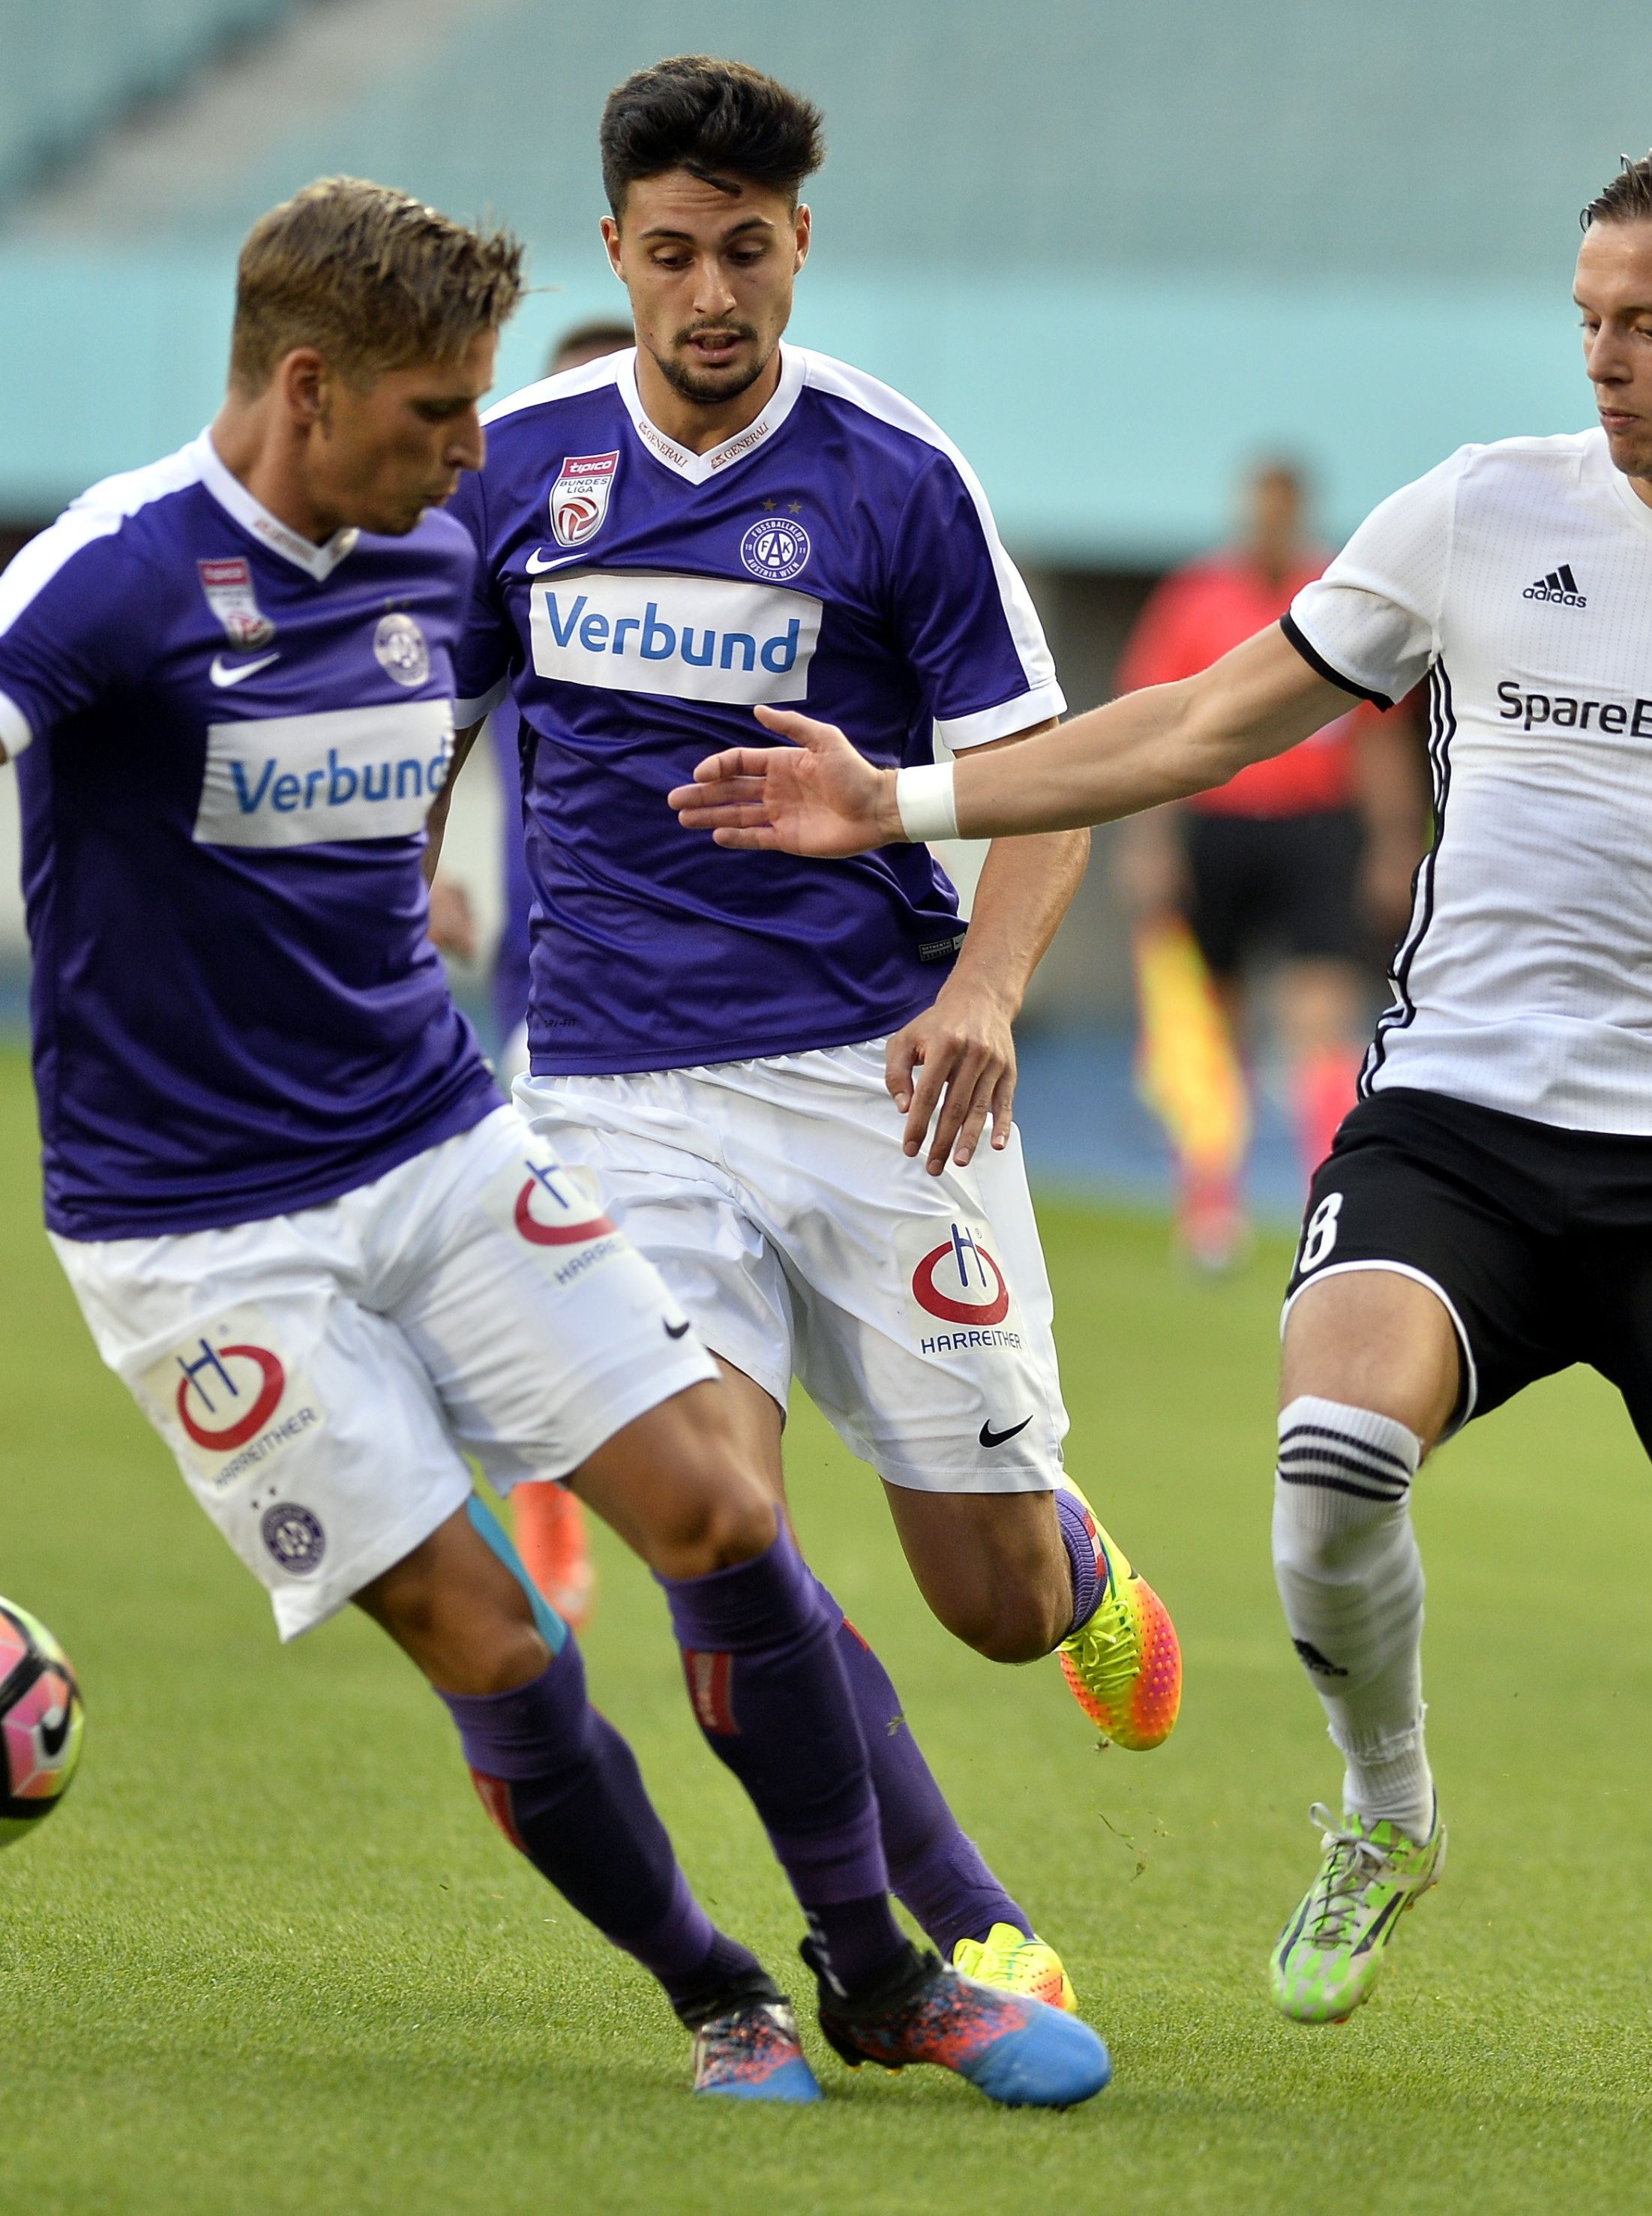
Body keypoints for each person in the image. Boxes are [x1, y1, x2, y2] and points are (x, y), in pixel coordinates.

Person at [671, 124, 1652, 2164]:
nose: (1605, 356)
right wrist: (901, 802)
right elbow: (1206, 720)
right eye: (1589, 315)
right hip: (1459, 1129)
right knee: (1333, 1456)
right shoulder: (1481, 511)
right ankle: (1385, 1807)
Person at [3, 178, 1103, 2110]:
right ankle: (717, 1992)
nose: (473, 452)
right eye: (440, 413)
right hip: (196, 1229)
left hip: (435, 1140)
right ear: (311, 386)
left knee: (723, 1519)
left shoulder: (439, 545)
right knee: (490, 1634)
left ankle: (881, 1971)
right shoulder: (111, 575)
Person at [434, 56, 1183, 1966]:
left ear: (799, 246)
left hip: (878, 1073)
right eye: (673, 253)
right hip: (614, 1085)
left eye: (747, 252)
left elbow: (1047, 772)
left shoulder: (894, 472)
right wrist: (389, 896)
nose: (711, 294)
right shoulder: (512, 468)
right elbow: (415, 717)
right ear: (616, 248)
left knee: (991, 1603)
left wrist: (987, 988)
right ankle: (955, 1928)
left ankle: (1069, 1552)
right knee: (720, 1535)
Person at [430, 317, 634, 1633]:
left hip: (709, 993)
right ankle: (549, 1508)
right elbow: (431, 710)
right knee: (531, 1250)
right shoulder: (514, 543)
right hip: (543, 974)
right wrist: (421, 867)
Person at [1111, 460, 1426, 1266]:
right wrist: (1149, 840)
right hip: (1218, 828)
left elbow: (1377, 734)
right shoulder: (1195, 597)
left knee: (1319, 1016)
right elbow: (1155, 724)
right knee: (1208, 1020)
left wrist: (1395, 842)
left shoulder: (1336, 597)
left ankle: (1327, 1201)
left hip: (1315, 830)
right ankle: (1209, 1204)